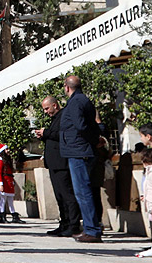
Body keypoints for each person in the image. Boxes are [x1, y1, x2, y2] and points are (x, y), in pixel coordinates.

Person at [59, 75, 103, 243]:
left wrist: (92, 140)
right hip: (79, 150)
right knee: (84, 191)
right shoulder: (82, 100)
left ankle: (92, 230)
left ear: (67, 87)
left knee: (83, 192)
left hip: (79, 151)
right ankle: (91, 228)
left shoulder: (76, 102)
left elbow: (81, 126)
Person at [34, 96, 81, 237]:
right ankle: (64, 223)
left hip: (62, 163)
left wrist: (46, 133)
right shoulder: (55, 119)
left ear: (55, 105)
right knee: (59, 196)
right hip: (54, 163)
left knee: (67, 195)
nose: (46, 112)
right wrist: (43, 135)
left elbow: (64, 135)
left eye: (47, 108)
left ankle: (73, 225)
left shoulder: (64, 116)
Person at [0, 143, 22, 224]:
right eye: (6, 149)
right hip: (4, 182)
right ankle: (2, 215)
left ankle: (14, 215)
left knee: (10, 200)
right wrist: (0, 184)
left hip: (9, 182)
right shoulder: (0, 161)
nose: (8, 151)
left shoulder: (7, 161)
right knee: (3, 200)